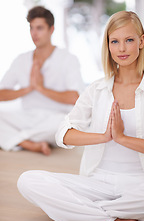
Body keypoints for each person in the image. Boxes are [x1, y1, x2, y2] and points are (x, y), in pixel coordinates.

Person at [17, 11, 144, 221]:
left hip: (141, 184)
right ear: (108, 45)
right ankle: (113, 219)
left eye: (129, 40)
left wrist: (123, 139)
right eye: (115, 41)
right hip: (97, 183)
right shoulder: (97, 89)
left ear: (141, 42)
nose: (122, 48)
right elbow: (63, 135)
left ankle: (81, 212)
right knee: (27, 181)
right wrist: (104, 136)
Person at [0, 6, 84, 155]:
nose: (34, 33)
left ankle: (19, 140)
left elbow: (75, 98)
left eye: (39, 28)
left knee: (66, 127)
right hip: (28, 117)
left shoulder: (68, 59)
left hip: (56, 118)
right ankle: (31, 143)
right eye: (31, 28)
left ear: (51, 30)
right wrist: (28, 88)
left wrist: (40, 88)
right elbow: (2, 94)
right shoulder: (21, 60)